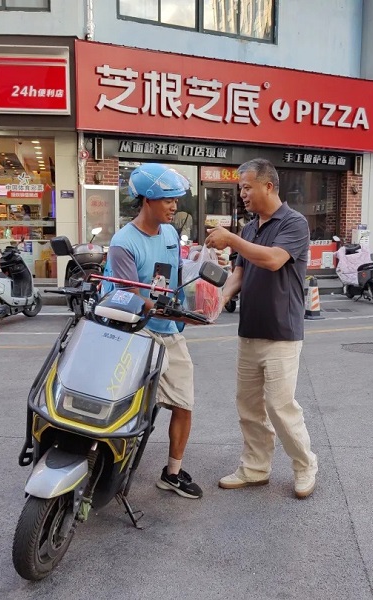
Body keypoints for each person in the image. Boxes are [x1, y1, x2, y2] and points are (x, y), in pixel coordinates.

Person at [204, 158, 318, 499]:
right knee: (249, 407)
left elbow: (272, 259)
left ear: (268, 186)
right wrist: (219, 300)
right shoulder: (250, 227)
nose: (242, 194)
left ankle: (305, 465)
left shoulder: (294, 223)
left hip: (281, 331)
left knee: (280, 407)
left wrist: (230, 239)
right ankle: (255, 468)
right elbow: (238, 274)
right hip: (249, 330)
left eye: (247, 187)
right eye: (240, 188)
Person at [101, 163, 205, 499]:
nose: (175, 206)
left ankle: (172, 473)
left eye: (176, 199)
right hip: (135, 330)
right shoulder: (123, 242)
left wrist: (197, 301)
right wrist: (172, 311)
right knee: (132, 404)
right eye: (168, 200)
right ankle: (109, 466)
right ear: (147, 199)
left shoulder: (171, 234)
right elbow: (132, 296)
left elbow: (174, 277)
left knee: (184, 401)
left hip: (168, 327)